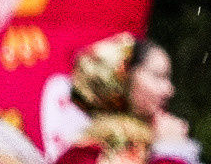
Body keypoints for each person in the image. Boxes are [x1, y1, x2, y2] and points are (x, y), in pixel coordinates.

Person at [56, 35, 197, 164]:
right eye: (158, 76)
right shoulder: (87, 155)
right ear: (123, 79)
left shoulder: (153, 141)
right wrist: (170, 150)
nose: (169, 91)